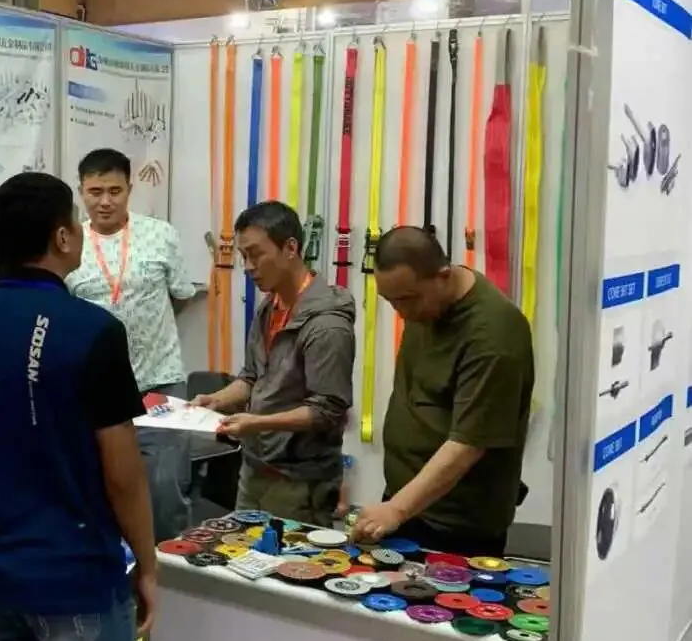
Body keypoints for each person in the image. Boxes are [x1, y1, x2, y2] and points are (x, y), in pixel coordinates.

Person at [0, 172, 155, 641]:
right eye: (75, 220)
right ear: (62, 237)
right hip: (73, 576)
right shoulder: (93, 329)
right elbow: (122, 474)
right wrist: (146, 564)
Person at [350, 226, 534, 556]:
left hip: (455, 525)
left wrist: (397, 509)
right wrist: (396, 506)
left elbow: (468, 444)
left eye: (406, 300)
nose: (401, 312)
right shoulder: (425, 302)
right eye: (390, 301)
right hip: (406, 503)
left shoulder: (494, 335)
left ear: (443, 276)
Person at [192, 201, 354, 526]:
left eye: (256, 254)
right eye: (243, 257)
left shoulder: (327, 325)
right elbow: (252, 377)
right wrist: (216, 401)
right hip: (255, 467)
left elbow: (327, 411)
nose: (248, 267)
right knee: (241, 552)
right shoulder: (269, 307)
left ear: (290, 248)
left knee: (288, 558)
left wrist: (257, 423)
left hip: (300, 481)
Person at [67, 148, 197, 540]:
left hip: (160, 381)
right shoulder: (70, 243)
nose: (105, 201)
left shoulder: (161, 234)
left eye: (114, 191)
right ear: (81, 191)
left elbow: (181, 295)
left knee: (165, 489)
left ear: (129, 189)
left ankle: (171, 572)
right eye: (95, 192)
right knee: (101, 488)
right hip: (95, 390)